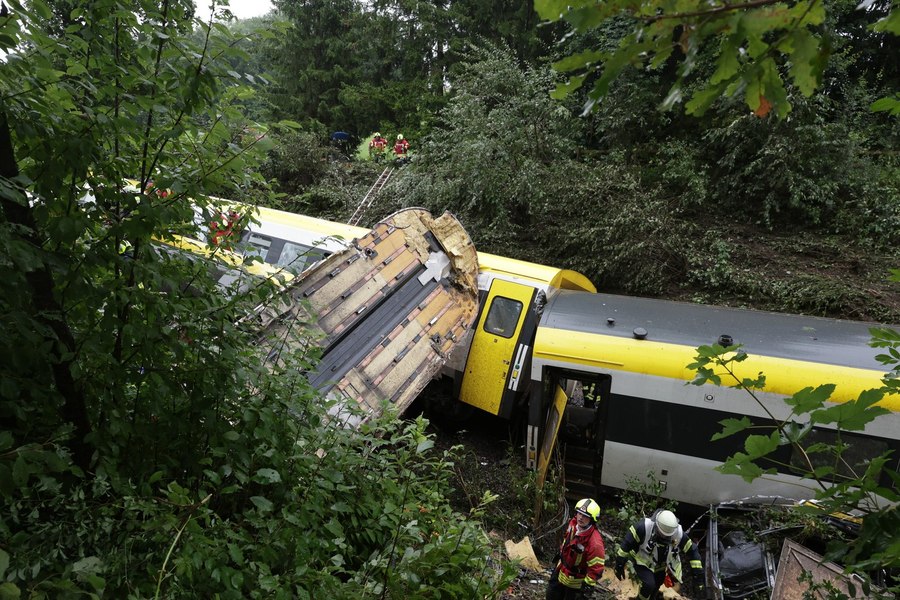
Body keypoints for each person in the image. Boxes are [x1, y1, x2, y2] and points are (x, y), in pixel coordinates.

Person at [614, 509, 704, 600]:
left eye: (667, 536)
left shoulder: (678, 534)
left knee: (657, 584)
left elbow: (693, 551)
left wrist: (698, 576)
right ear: (656, 525)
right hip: (642, 561)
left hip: (660, 566)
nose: (664, 537)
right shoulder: (643, 527)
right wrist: (619, 563)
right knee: (648, 585)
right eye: (661, 534)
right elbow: (627, 543)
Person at [546, 498, 605, 600]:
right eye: (579, 513)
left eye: (585, 516)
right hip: (561, 571)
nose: (581, 518)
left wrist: (587, 588)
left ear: (592, 519)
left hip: (575, 583)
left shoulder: (595, 542)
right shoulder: (573, 524)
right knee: (551, 596)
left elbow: (596, 568)